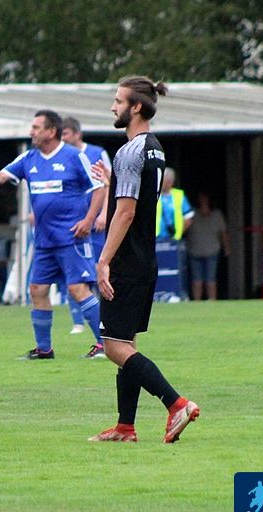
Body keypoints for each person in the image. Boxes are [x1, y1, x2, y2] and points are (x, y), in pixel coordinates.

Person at [89, 75, 199, 443]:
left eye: (118, 101)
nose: (113, 107)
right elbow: (134, 199)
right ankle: (125, 427)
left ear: (136, 107)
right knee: (126, 343)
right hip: (145, 259)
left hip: (126, 262)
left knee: (114, 347)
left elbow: (126, 212)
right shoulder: (155, 149)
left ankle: (176, 403)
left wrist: (104, 261)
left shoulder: (129, 151)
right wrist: (111, 184)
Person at [0, 110, 105, 360]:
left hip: (71, 238)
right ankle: (44, 349)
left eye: (36, 127)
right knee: (37, 289)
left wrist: (88, 220)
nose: (31, 132)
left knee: (77, 289)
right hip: (43, 241)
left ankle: (104, 344)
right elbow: (0, 176)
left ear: (51, 131)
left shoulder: (75, 156)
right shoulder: (29, 158)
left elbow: (99, 188)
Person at [61, 116, 111, 335]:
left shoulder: (97, 153)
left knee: (98, 270)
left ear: (77, 134)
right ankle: (77, 321)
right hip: (74, 225)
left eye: (65, 134)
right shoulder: (62, 156)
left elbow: (109, 184)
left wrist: (104, 214)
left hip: (96, 225)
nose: (62, 138)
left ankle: (105, 319)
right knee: (73, 274)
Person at [156, 167, 193, 299]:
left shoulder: (179, 196)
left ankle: (177, 295)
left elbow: (188, 217)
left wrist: (178, 233)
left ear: (171, 182)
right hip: (155, 240)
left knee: (176, 269)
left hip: (174, 241)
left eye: (166, 181)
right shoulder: (153, 194)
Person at [186, 192, 229, 300]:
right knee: (197, 281)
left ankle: (212, 302)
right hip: (195, 251)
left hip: (212, 251)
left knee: (211, 280)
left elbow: (223, 232)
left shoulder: (217, 214)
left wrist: (227, 248)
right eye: (201, 198)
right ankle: (197, 303)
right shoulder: (191, 214)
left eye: (205, 198)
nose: (203, 201)